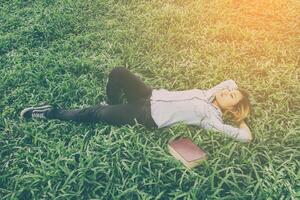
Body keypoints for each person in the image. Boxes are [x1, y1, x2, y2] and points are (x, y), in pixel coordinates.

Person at [21, 67, 252, 142]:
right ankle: (111, 102)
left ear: (232, 108)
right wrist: (234, 89)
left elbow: (245, 137)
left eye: (231, 97)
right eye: (229, 92)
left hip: (146, 114)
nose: (227, 91)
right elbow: (228, 81)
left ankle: (51, 113)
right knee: (118, 72)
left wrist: (242, 119)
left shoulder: (211, 118)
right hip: (149, 95)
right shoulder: (207, 94)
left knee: (97, 113)